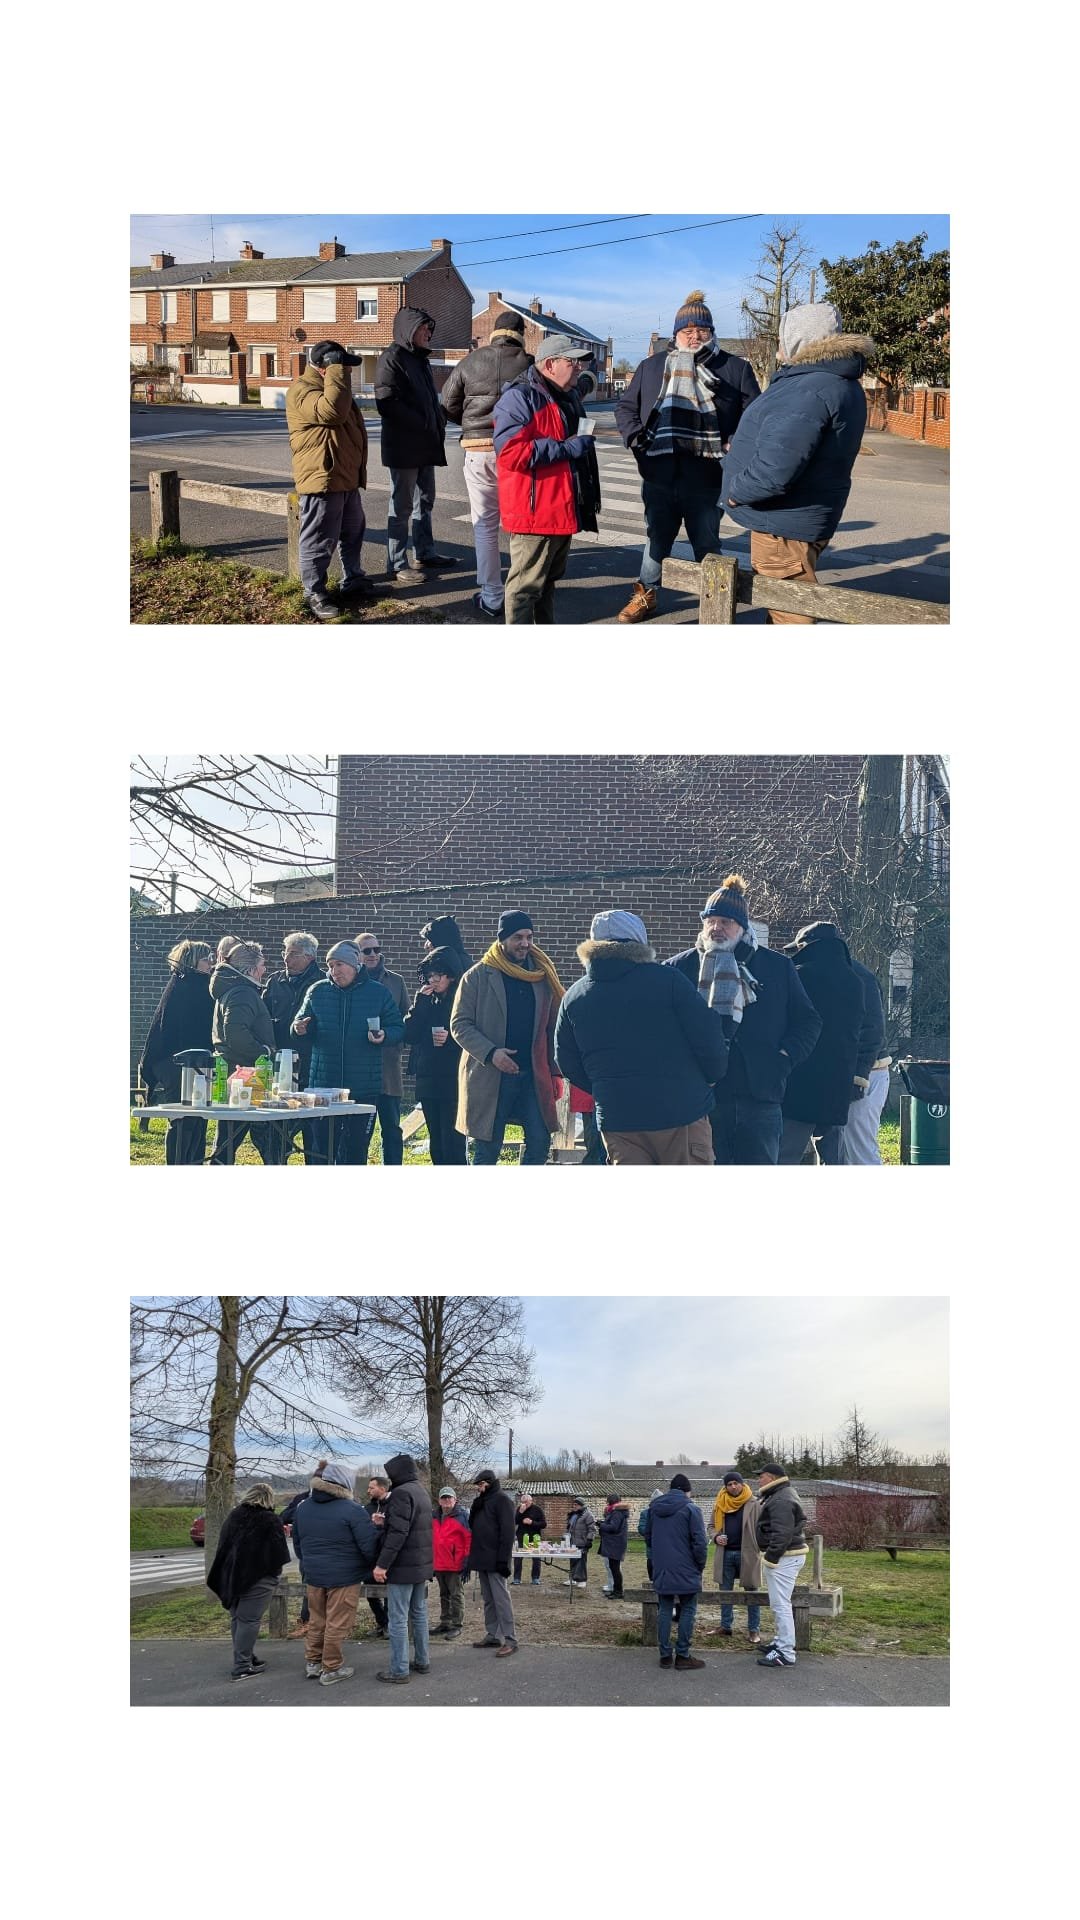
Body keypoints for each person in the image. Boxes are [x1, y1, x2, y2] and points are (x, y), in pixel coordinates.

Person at [721, 303, 875, 625]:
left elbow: (775, 470)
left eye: (782, 337)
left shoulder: (809, 387)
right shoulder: (835, 380)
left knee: (791, 613)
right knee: (782, 605)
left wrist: (736, 492)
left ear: (797, 339)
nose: (778, 345)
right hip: (798, 518)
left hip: (781, 525)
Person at [614, 291, 759, 623]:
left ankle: (718, 608)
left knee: (707, 545)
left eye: (702, 330)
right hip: (659, 474)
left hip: (707, 479)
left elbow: (756, 414)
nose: (694, 336)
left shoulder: (734, 368)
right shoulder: (652, 367)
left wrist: (735, 442)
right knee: (656, 543)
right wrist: (637, 438)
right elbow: (625, 408)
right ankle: (645, 596)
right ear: (676, 334)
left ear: (711, 332)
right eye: (687, 330)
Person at [665, 875, 821, 1164]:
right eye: (710, 920)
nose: (716, 928)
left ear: (742, 926)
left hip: (760, 1094)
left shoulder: (776, 967)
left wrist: (783, 1059)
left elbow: (808, 1022)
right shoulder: (678, 969)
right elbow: (663, 1029)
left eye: (725, 921)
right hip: (700, 1096)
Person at [555, 909, 729, 1166]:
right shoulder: (670, 981)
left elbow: (566, 1060)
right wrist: (712, 1077)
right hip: (681, 1109)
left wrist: (605, 1086)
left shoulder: (574, 996)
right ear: (640, 942)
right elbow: (708, 1036)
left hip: (618, 1117)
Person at [493, 336, 601, 624]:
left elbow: (585, 384)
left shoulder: (566, 393)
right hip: (536, 511)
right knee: (525, 588)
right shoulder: (520, 397)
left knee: (547, 583)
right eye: (573, 361)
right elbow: (510, 452)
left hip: (560, 507)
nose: (579, 367)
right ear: (551, 364)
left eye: (580, 362)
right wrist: (569, 447)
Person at [451, 911, 563, 1166]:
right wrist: (492, 1054)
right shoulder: (477, 976)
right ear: (501, 939)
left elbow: (552, 1028)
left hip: (534, 1076)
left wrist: (555, 1072)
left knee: (540, 1143)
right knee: (487, 1151)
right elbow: (460, 1024)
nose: (525, 943)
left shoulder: (543, 975)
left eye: (529, 937)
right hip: (490, 1076)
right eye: (517, 937)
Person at [440, 310, 532, 619]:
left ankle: (492, 596)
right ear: (521, 332)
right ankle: (520, 593)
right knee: (519, 524)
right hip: (517, 451)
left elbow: (448, 404)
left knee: (485, 525)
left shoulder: (469, 362)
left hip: (478, 449)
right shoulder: (529, 364)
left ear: (493, 332)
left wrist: (470, 425)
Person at [291, 940, 405, 1164]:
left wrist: (384, 1035)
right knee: (322, 1148)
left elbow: (398, 1027)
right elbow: (298, 1022)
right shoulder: (317, 991)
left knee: (355, 1150)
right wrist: (299, 1027)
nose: (334, 971)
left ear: (355, 966)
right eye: (331, 966)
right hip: (324, 1087)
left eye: (339, 965)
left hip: (362, 1086)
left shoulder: (377, 993)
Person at [285, 339, 374, 621]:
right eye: (342, 366)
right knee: (319, 538)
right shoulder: (302, 390)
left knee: (353, 531)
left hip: (344, 476)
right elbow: (332, 412)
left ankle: (353, 579)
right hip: (322, 477)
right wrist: (336, 369)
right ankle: (314, 591)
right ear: (326, 367)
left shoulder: (332, 386)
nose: (347, 372)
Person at [797, 927, 891, 1165]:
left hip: (866, 1074)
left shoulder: (857, 976)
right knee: (834, 1150)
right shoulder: (852, 973)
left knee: (859, 1152)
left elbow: (872, 1032)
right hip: (847, 1074)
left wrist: (858, 1077)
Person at [375, 306, 456, 581]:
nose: (428, 334)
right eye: (423, 329)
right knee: (401, 506)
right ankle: (397, 563)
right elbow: (386, 403)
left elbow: (426, 399)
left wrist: (438, 417)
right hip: (404, 446)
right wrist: (423, 421)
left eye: (429, 329)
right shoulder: (392, 357)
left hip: (425, 445)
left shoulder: (420, 359)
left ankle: (425, 552)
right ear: (409, 330)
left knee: (426, 501)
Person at [778, 922, 866, 1164]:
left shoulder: (798, 975)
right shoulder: (856, 980)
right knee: (833, 1157)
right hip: (838, 1082)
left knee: (784, 1154)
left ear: (806, 946)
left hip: (800, 1082)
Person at [291, 1462, 380, 1687]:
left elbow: (298, 1545)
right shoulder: (353, 1510)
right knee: (337, 1623)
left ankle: (312, 1662)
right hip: (344, 1576)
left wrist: (310, 1564)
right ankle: (331, 1667)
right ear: (345, 1484)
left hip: (314, 1575)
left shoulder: (302, 1508)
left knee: (317, 1619)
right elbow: (369, 1547)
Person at [138, 938, 213, 1164]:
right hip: (178, 1064)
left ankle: (193, 1162)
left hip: (193, 1062)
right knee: (183, 1120)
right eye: (206, 959)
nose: (210, 963)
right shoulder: (190, 986)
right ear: (192, 962)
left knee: (198, 1118)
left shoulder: (188, 983)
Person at [208, 940, 283, 1165]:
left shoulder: (232, 990)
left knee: (229, 1136)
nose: (264, 969)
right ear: (250, 968)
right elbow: (235, 1032)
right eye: (261, 964)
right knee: (261, 1137)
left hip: (235, 1072)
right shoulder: (243, 993)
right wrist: (263, 1050)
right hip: (247, 1075)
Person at [206, 1483, 291, 1681]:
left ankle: (245, 1657)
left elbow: (225, 1545)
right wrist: (273, 1574)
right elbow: (278, 1553)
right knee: (249, 1621)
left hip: (232, 1575)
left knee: (238, 1619)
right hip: (258, 1577)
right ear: (269, 1498)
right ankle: (242, 1666)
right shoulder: (270, 1519)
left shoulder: (234, 1515)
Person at [370, 1453, 433, 1684]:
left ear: (396, 1473)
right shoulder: (420, 1491)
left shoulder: (400, 1493)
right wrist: (385, 1522)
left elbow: (399, 1533)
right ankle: (423, 1661)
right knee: (419, 1614)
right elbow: (412, 1526)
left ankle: (399, 1670)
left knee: (397, 1619)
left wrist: (381, 1564)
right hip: (420, 1566)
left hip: (403, 1567)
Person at [261, 932, 323, 1164]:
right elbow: (264, 1015)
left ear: (309, 956)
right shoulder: (275, 981)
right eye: (285, 953)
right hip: (279, 1063)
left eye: (293, 954)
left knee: (310, 1124)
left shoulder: (322, 982)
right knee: (278, 1123)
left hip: (310, 1061)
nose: (286, 959)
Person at [403, 946, 467, 1164]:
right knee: (437, 1143)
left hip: (453, 1080)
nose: (433, 980)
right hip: (428, 1078)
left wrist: (449, 1039)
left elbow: (470, 1035)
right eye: (430, 976)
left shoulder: (461, 1001)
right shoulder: (426, 1000)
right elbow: (410, 1034)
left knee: (453, 1143)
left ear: (450, 975)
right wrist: (419, 1004)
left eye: (438, 975)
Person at [638, 1475, 709, 1671]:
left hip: (662, 1567)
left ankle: (665, 1655)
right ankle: (683, 1655)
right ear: (688, 1490)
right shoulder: (691, 1509)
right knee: (687, 1609)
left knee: (665, 1609)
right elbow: (700, 1543)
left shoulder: (654, 1509)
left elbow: (648, 1537)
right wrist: (699, 1565)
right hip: (687, 1568)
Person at [353, 933, 409, 1166]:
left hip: (388, 1068)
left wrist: (394, 1040)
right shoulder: (352, 981)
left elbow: (406, 1020)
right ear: (357, 955)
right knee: (358, 1132)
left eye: (376, 949)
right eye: (367, 951)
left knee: (392, 1130)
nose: (373, 954)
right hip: (359, 1068)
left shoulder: (396, 981)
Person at [755, 1465, 808, 1669]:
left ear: (773, 1477)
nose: (759, 1480)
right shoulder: (781, 1493)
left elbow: (782, 1533)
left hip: (784, 1558)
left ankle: (786, 1653)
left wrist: (771, 1558)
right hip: (786, 1557)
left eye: (762, 1476)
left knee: (781, 1605)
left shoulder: (780, 1498)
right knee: (779, 1603)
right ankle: (779, 1642)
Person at [467, 1469, 518, 1655]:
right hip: (482, 1559)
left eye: (480, 1485)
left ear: (488, 1483)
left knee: (501, 1600)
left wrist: (503, 1560)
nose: (479, 1488)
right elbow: (472, 1525)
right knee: (488, 1600)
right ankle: (493, 1634)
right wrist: (475, 1506)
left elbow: (508, 1532)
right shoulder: (482, 1502)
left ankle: (511, 1639)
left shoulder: (502, 1500)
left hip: (496, 1560)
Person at [712, 1472, 762, 1645]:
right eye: (729, 1484)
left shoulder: (754, 1503)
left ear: (742, 1484)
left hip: (747, 1554)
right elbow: (712, 1526)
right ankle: (725, 1626)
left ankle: (754, 1630)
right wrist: (716, 1537)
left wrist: (758, 1545)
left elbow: (762, 1527)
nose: (733, 1486)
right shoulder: (720, 1502)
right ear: (725, 1487)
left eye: (736, 1483)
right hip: (725, 1554)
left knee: (752, 1593)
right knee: (725, 1592)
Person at [279, 1463, 326, 1638]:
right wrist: (302, 1508)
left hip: (328, 1552)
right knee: (309, 1589)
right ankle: (306, 1623)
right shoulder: (302, 1499)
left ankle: (326, 1626)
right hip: (307, 1553)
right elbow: (283, 1516)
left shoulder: (336, 1500)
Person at [431, 1487, 471, 1638]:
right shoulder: (433, 1517)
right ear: (439, 1501)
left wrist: (466, 1560)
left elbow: (468, 1539)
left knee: (456, 1595)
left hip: (455, 1563)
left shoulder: (461, 1517)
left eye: (449, 1498)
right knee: (443, 1594)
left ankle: (457, 1624)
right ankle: (445, 1622)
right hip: (439, 1563)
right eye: (444, 1498)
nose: (447, 1501)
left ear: (455, 1500)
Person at [364, 1475, 392, 1637]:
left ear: (382, 1488)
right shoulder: (366, 1509)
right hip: (369, 1559)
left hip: (386, 1559)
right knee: (370, 1594)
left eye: (371, 1487)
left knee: (389, 1594)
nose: (368, 1490)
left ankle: (389, 1625)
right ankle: (382, 1623)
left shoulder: (392, 1507)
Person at [598, 1494, 630, 1598]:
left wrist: (601, 1525)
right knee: (613, 1568)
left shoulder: (617, 1512)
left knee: (615, 1569)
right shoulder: (617, 1512)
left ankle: (618, 1592)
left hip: (615, 1543)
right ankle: (616, 1590)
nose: (606, 1504)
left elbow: (613, 1527)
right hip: (616, 1543)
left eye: (607, 1502)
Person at [513, 1492, 547, 1586]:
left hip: (534, 1537)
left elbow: (543, 1524)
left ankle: (535, 1578)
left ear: (531, 1501)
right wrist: (520, 1512)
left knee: (536, 1558)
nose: (524, 1504)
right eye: (522, 1502)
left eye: (526, 1502)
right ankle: (517, 1578)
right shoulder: (520, 1509)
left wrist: (532, 1522)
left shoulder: (537, 1510)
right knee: (518, 1558)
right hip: (521, 1537)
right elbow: (514, 1521)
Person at [565, 1495, 597, 1589]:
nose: (574, 1506)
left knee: (581, 1561)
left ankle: (582, 1580)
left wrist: (589, 1540)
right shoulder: (573, 1515)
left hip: (582, 1542)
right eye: (574, 1504)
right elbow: (569, 1527)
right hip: (572, 1542)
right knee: (572, 1561)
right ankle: (573, 1579)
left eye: (576, 1504)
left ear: (582, 1505)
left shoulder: (588, 1515)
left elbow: (592, 1529)